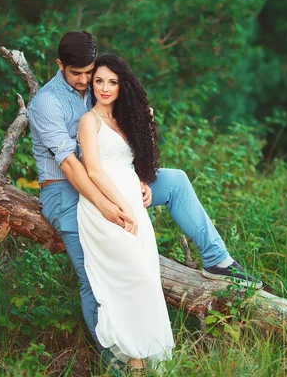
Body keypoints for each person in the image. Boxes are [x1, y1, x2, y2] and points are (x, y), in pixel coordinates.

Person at [28, 30, 262, 360]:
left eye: (89, 73)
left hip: (116, 181)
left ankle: (218, 261)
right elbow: (72, 168)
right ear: (59, 65)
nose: (85, 81)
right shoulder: (48, 103)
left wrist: (139, 179)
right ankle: (116, 361)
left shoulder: (100, 84)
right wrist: (107, 206)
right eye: (76, 74)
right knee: (93, 277)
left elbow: (121, 144)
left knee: (176, 181)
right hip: (66, 191)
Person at [76, 54, 174, 369]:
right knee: (136, 278)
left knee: (147, 279)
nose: (105, 88)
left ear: (122, 86)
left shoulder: (123, 120)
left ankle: (138, 361)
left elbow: (132, 160)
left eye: (112, 82)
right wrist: (121, 203)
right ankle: (132, 359)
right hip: (104, 206)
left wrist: (143, 182)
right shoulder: (88, 121)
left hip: (132, 202)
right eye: (99, 81)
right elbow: (93, 170)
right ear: (92, 83)